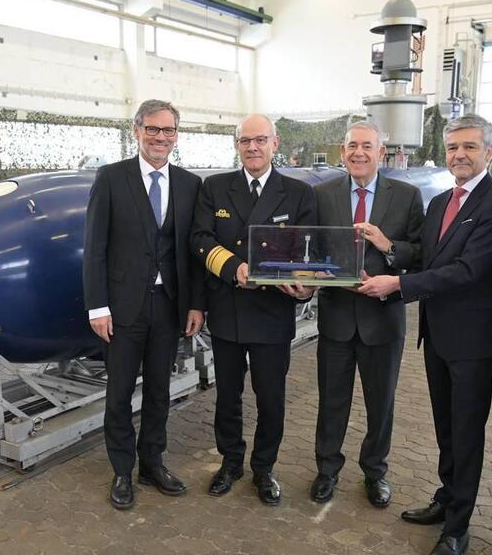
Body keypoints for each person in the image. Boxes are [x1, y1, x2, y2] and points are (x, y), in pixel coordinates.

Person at [360, 114, 492, 555]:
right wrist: (388, 245)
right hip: (438, 337)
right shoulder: (441, 202)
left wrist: (398, 286)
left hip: (471, 341)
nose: (460, 155)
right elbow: (427, 256)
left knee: (466, 432)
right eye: (453, 148)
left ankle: (458, 527)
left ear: (488, 151)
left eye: (469, 147)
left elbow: (468, 270)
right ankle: (447, 496)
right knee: (446, 428)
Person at [83, 99, 205, 511]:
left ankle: (152, 462)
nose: (160, 138)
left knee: (159, 390)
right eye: (152, 129)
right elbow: (95, 248)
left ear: (176, 136)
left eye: (168, 131)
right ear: (136, 131)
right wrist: (97, 307)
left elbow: (190, 252)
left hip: (168, 306)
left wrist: (194, 305)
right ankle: (122, 469)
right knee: (118, 393)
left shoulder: (190, 185)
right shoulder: (111, 178)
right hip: (121, 308)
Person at [191, 114, 317, 506]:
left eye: (260, 140)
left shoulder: (297, 193)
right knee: (227, 395)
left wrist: (304, 288)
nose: (253, 147)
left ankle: (264, 467)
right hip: (227, 309)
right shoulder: (214, 187)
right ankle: (230, 463)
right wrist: (233, 268)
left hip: (273, 312)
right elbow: (200, 238)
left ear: (274, 144)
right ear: (237, 145)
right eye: (245, 141)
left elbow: (311, 250)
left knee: (271, 397)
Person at [309, 121, 423, 508]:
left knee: (381, 403)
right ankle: (327, 470)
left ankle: (375, 472)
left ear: (381, 152)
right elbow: (310, 247)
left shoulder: (406, 196)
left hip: (383, 319)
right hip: (337, 317)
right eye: (352, 146)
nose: (359, 153)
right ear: (343, 152)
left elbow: (420, 253)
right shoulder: (322, 194)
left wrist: (387, 245)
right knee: (331, 401)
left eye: (367, 146)